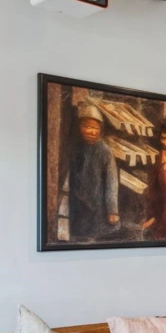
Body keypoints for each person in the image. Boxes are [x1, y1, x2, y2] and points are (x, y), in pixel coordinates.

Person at [67, 102, 119, 241]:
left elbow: (111, 181)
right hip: (77, 204)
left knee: (94, 237)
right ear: (79, 127)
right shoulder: (74, 147)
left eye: (95, 128)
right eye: (86, 126)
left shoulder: (105, 151)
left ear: (100, 130)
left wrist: (112, 210)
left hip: (97, 206)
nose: (91, 131)